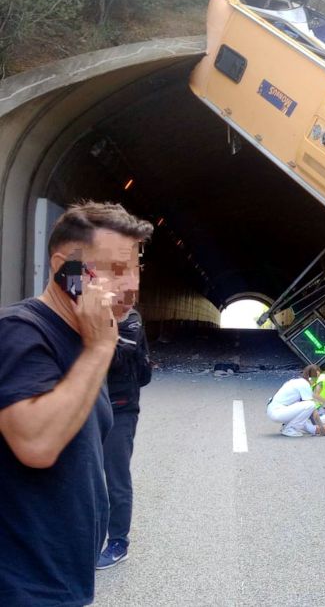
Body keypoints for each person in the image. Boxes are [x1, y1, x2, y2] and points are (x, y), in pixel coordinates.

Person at [0, 202, 153, 606]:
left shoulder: (81, 338)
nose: (131, 285)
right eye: (115, 270)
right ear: (64, 268)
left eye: (135, 268)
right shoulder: (19, 332)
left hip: (61, 579)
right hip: (22, 586)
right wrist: (101, 348)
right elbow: (35, 444)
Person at [97, 307, 152, 570]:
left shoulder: (129, 318)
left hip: (120, 407)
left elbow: (119, 354)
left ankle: (118, 542)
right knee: (82, 477)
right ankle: (84, 541)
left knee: (115, 478)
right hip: (87, 406)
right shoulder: (82, 309)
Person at [267, 365, 325, 437]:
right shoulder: (304, 385)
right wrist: (322, 429)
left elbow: (301, 414)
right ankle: (290, 429)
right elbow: (313, 411)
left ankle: (288, 427)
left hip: (275, 410)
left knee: (306, 407)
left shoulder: (297, 382)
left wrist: (313, 429)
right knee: (311, 404)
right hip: (278, 412)